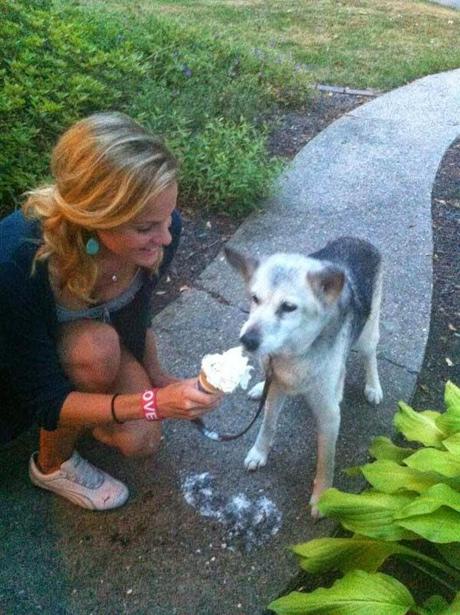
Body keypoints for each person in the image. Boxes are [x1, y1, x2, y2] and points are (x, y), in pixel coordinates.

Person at [0, 112, 222, 511]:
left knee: (142, 440)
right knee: (95, 353)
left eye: (167, 218)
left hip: (79, 344)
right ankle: (51, 464)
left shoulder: (159, 233)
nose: (167, 237)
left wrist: (157, 377)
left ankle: (88, 407)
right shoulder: (18, 265)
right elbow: (43, 398)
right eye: (146, 228)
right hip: (16, 372)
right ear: (93, 216)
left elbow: (138, 309)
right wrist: (156, 402)